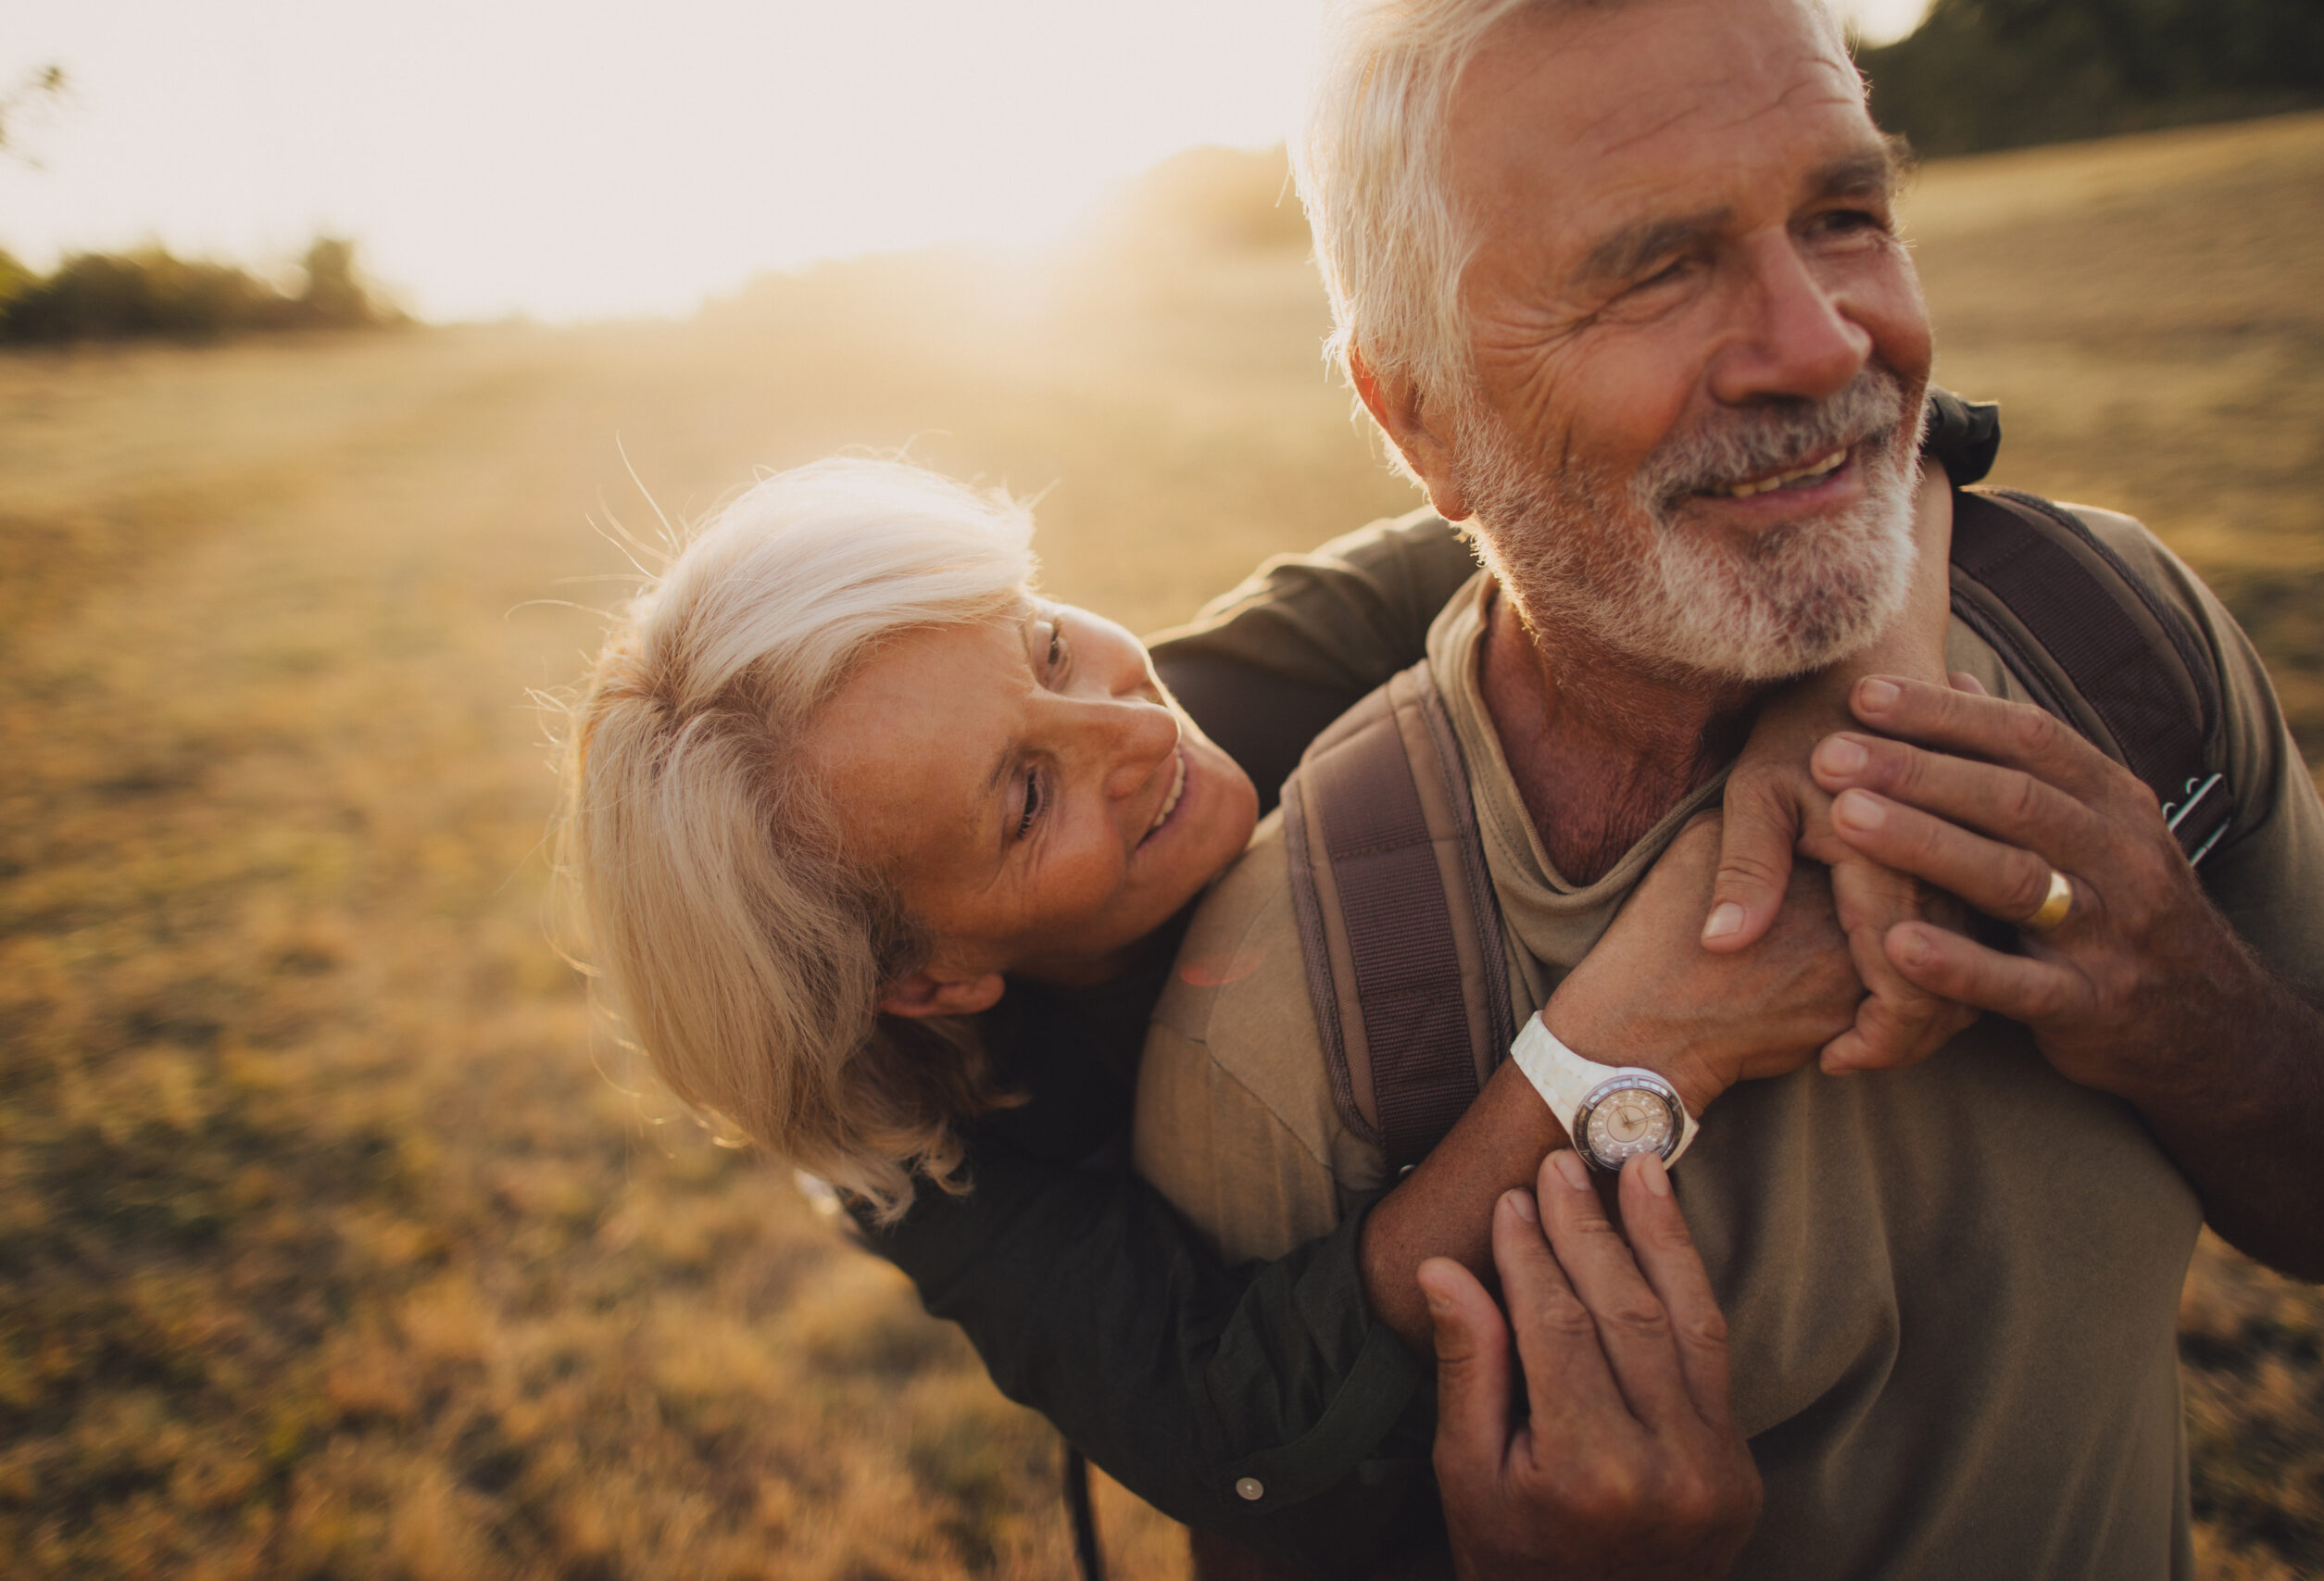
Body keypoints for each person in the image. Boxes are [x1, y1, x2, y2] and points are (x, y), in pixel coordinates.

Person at [1130, 0, 2324, 1575]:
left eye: (1846, 218)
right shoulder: (1290, 1026)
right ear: (1419, 415)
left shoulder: (2114, 639)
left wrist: (2205, 1018)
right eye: (1652, 266)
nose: (1826, 344)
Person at [557, 431, 1976, 1575]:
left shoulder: (1250, 667)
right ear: (931, 980)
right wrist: (1632, 1041)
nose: (1134, 724)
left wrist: (1861, 706)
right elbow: (1228, 1421)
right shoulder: (922, 1155)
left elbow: (1801, 436)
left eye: (1045, 644)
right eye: (1026, 795)